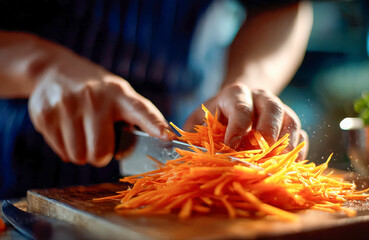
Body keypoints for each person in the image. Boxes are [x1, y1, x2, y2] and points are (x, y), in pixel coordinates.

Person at [0, 0, 312, 198]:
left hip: (183, 134)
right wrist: (40, 67)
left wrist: (246, 83)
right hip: (25, 141)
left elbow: (279, 8)